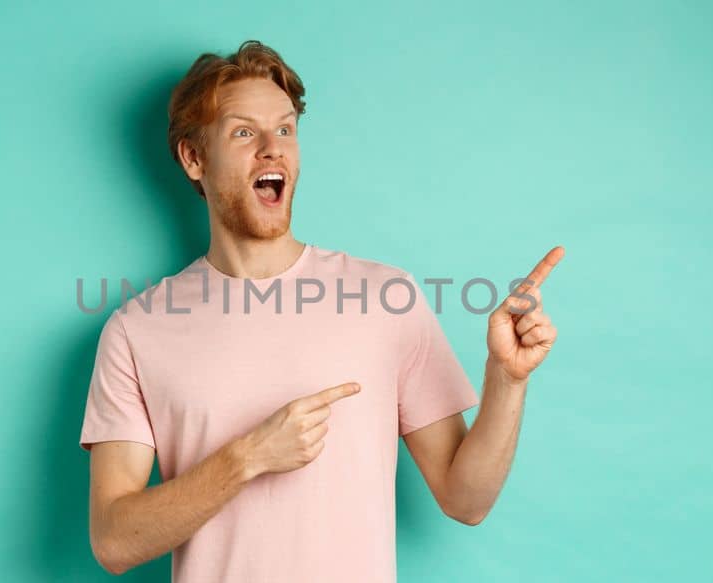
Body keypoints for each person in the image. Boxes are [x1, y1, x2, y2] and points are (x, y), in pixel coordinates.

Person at [79, 40, 564, 582]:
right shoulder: (136, 331)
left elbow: (465, 499)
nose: (272, 149)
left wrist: (507, 378)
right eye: (244, 132)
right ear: (194, 159)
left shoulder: (385, 298)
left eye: (284, 130)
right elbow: (114, 541)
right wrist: (247, 459)